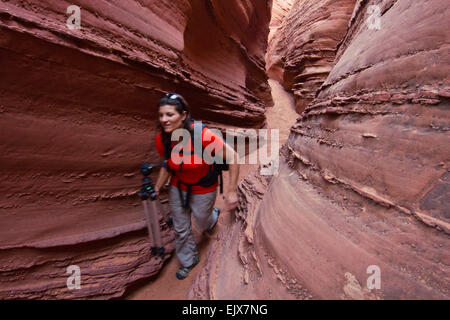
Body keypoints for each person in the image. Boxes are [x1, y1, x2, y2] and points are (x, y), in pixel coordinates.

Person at [154, 93, 239, 280]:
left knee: (201, 221)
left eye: (169, 115)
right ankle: (189, 260)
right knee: (181, 227)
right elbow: (168, 163)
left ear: (183, 115)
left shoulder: (203, 136)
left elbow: (232, 157)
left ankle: (211, 217)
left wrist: (231, 191)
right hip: (178, 186)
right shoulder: (163, 140)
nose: (164, 120)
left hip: (204, 187)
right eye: (161, 115)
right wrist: (158, 187)